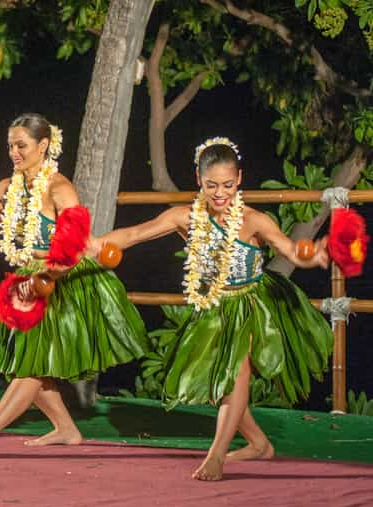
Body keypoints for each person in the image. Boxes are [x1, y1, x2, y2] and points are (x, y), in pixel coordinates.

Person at [89, 137, 332, 480]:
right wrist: (97, 243)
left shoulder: (254, 221)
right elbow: (136, 233)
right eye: (212, 185)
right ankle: (259, 443)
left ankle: (216, 455)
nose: (220, 193)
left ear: (240, 179)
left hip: (251, 305)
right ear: (198, 180)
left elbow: (291, 251)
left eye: (228, 185)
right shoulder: (183, 217)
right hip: (214, 308)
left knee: (235, 376)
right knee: (221, 384)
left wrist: (311, 255)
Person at [0, 113, 149, 459]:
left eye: (21, 145)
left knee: (31, 365)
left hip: (62, 281)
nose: (14, 151)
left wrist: (44, 280)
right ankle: (66, 429)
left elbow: (72, 251)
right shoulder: (5, 188)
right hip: (27, 280)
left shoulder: (60, 188)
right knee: (28, 361)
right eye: (11, 145)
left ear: (43, 146)